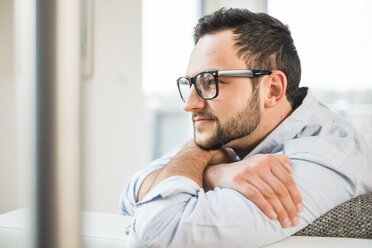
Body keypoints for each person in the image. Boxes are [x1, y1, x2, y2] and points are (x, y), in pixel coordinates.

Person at [119, 8, 372, 248]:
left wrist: (199, 161)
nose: (190, 104)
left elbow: (154, 233)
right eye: (191, 83)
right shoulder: (236, 131)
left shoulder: (324, 158)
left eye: (210, 82)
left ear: (272, 90)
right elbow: (130, 194)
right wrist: (214, 172)